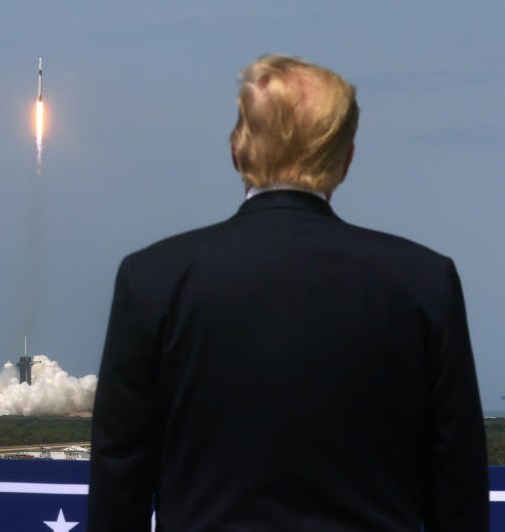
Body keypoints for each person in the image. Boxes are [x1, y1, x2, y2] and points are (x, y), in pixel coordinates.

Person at [88, 55, 488, 531]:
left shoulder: (153, 279)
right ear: (346, 160)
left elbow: (120, 479)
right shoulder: (424, 281)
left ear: (236, 151)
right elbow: (458, 485)